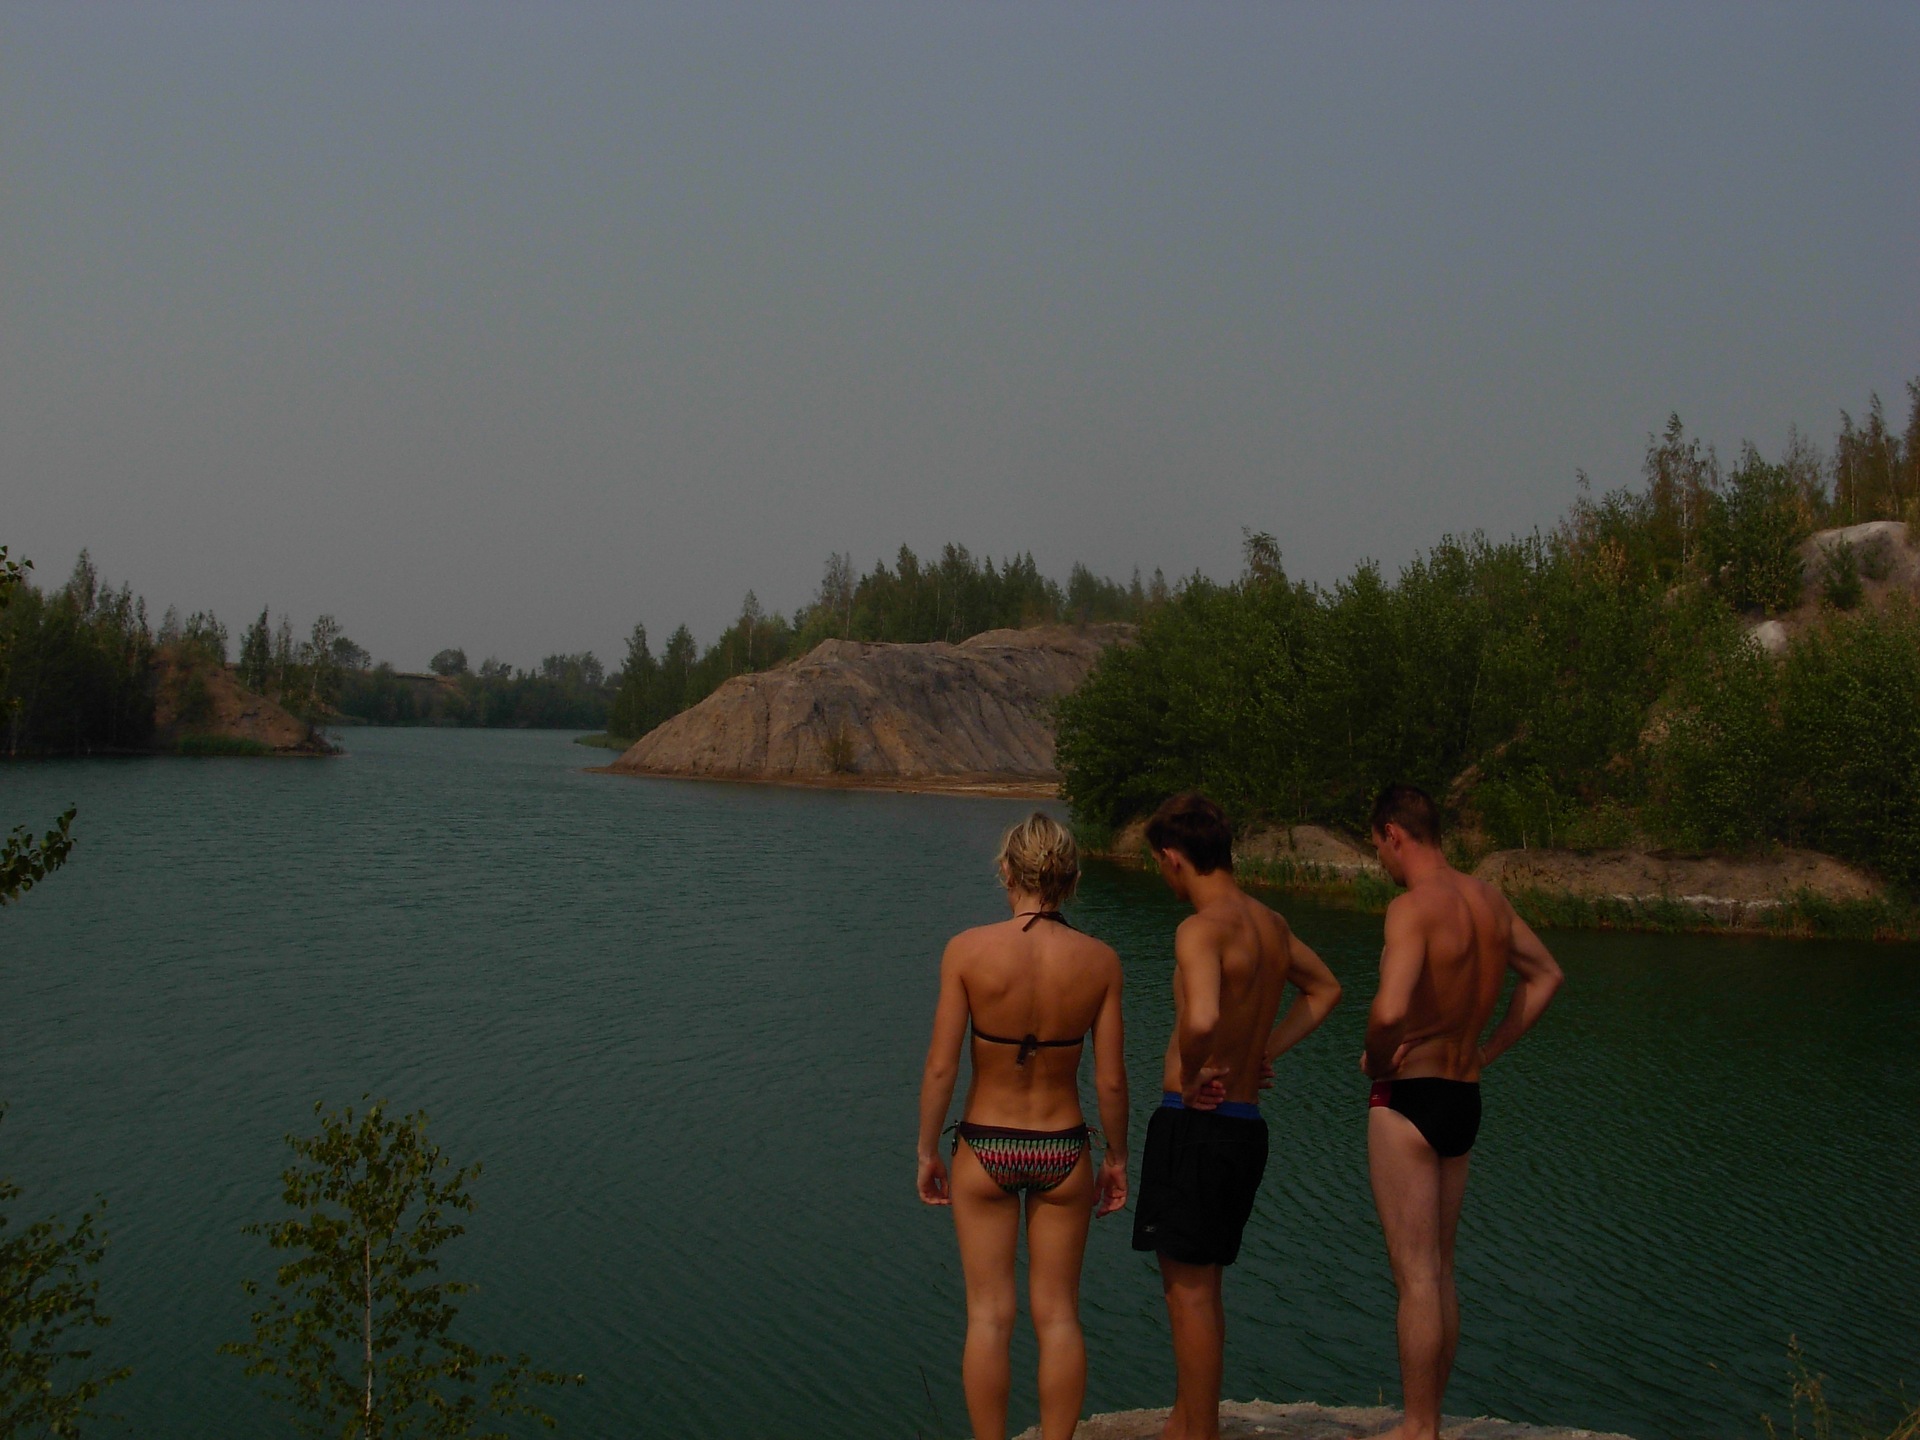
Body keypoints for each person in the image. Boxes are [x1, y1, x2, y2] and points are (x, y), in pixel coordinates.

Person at [1130, 793, 1343, 1440]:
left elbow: (1200, 1018)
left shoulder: (1201, 929)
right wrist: (1264, 1049)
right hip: (1246, 1125)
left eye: (1160, 866)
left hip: (1196, 1124)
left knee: (1185, 1292)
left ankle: (1198, 1432)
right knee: (1205, 1287)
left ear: (1173, 858)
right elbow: (1327, 988)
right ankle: (1188, 1418)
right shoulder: (1270, 924)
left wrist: (1193, 1075)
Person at [917, 812, 1131, 1440]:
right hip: (1064, 1147)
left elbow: (939, 1067)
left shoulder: (967, 950)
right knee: (1059, 1315)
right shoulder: (1101, 961)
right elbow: (1111, 1080)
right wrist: (1117, 1157)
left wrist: (928, 1148)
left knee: (988, 1316)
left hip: (985, 1144)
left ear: (1007, 872)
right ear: (1070, 878)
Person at [1361, 783, 1565, 1440]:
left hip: (1409, 1100)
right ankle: (1432, 1419)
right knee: (1442, 1269)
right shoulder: (1490, 902)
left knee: (1414, 1276)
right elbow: (1546, 977)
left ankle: (1416, 1428)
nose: (1382, 864)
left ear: (1395, 833)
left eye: (1379, 849)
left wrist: (1377, 1055)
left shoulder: (1412, 909)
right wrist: (1486, 1050)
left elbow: (1391, 1010)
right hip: (1462, 1097)